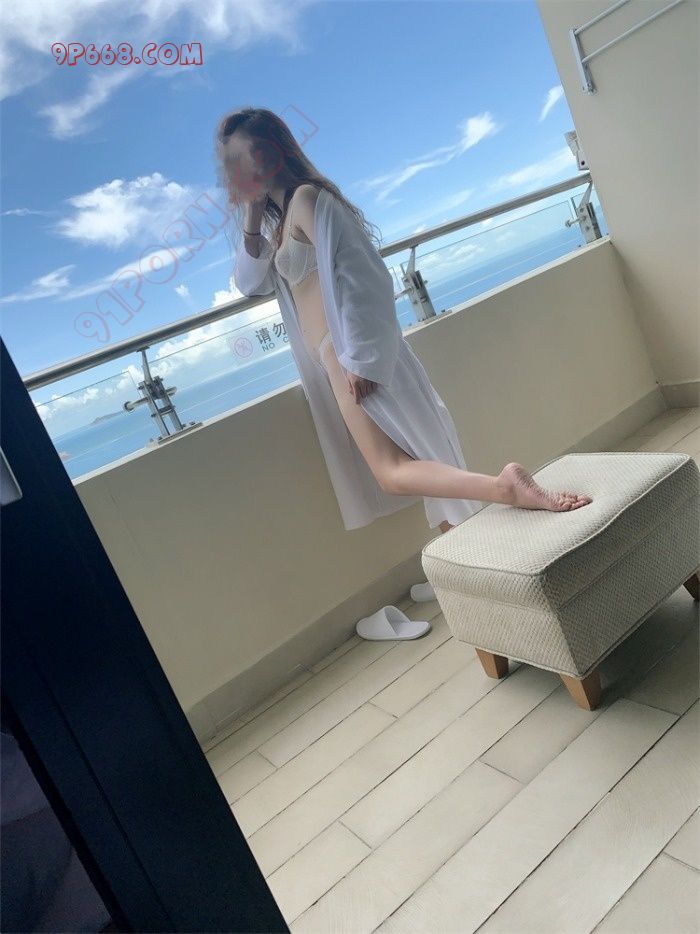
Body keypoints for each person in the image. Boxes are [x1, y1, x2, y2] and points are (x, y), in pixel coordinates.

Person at [214, 108, 592, 543]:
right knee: (415, 460)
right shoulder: (281, 222)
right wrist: (251, 213)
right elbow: (250, 283)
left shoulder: (305, 200)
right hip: (338, 360)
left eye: (244, 156)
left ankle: (504, 488)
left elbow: (364, 272)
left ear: (272, 152)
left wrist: (363, 359)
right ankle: (475, 548)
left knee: (392, 471)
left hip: (350, 355)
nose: (237, 171)